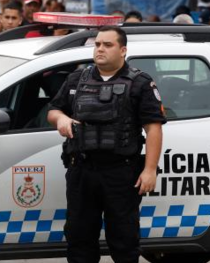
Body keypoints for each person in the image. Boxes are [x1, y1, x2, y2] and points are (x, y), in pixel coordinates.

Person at [47, 26, 165, 263]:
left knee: (124, 241)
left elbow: (153, 127)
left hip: (121, 172)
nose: (100, 49)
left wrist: (150, 170)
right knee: (79, 239)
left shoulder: (139, 83)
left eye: (107, 45)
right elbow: (53, 110)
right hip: (81, 170)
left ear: (123, 50)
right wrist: (61, 118)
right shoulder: (76, 79)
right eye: (98, 44)